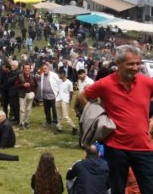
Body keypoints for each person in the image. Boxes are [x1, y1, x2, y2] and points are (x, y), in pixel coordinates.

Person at [78, 45, 153, 193]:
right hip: (115, 146)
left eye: (138, 63)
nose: (135, 67)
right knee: (117, 189)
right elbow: (82, 96)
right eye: (131, 64)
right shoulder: (106, 83)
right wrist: (98, 117)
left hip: (143, 146)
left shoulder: (147, 82)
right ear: (118, 63)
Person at [15, 62, 38, 130]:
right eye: (25, 68)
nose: (27, 69)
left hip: (30, 94)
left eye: (28, 68)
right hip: (22, 95)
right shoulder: (20, 76)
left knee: (28, 109)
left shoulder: (33, 76)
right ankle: (21, 123)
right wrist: (23, 85)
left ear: (30, 69)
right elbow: (16, 84)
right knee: (22, 109)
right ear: (23, 69)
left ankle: (27, 122)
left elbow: (36, 86)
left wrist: (34, 93)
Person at [54, 69, 77, 135]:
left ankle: (74, 127)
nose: (58, 75)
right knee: (59, 116)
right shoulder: (59, 81)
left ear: (63, 74)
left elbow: (71, 92)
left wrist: (69, 100)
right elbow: (58, 90)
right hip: (58, 99)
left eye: (59, 74)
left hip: (65, 100)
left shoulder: (69, 82)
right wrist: (57, 96)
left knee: (65, 116)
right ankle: (59, 128)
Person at [39, 63, 60, 128]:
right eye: (43, 69)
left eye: (45, 68)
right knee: (46, 110)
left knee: (54, 109)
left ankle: (55, 121)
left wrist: (58, 93)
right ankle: (48, 121)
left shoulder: (54, 75)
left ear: (48, 68)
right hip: (45, 96)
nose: (44, 70)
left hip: (53, 96)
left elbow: (59, 83)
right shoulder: (42, 75)